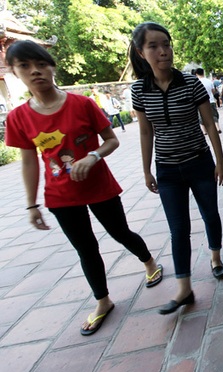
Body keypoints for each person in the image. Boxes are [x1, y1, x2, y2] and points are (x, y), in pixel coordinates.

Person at [4, 40, 163, 336]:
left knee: (119, 232)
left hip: (100, 186)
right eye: (24, 66)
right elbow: (29, 162)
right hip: (60, 196)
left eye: (41, 64)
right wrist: (31, 205)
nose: (35, 71)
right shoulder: (18, 118)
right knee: (86, 248)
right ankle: (103, 301)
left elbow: (111, 140)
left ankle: (149, 261)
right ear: (14, 72)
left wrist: (93, 156)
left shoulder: (82, 104)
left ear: (52, 67)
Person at [128, 22, 223, 315]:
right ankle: (184, 288)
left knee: (210, 213)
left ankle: (215, 257)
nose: (163, 52)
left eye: (166, 44)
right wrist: (146, 170)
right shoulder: (139, 90)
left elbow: (209, 123)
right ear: (141, 52)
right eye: (154, 46)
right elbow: (146, 132)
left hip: (199, 162)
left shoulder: (191, 83)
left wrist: (220, 162)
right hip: (167, 170)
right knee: (178, 228)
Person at [195, 68, 221, 134]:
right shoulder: (209, 81)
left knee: (201, 116)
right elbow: (213, 91)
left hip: (200, 102)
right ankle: (217, 128)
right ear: (203, 73)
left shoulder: (196, 82)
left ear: (196, 74)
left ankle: (204, 131)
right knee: (214, 115)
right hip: (211, 100)